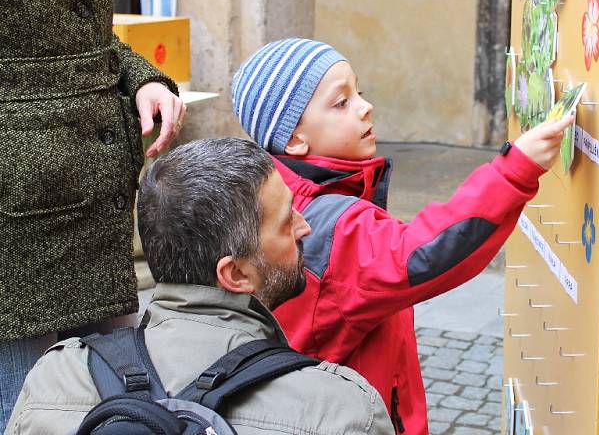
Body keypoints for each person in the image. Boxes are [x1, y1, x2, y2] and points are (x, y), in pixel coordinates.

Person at [231, 38, 573, 435]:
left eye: (359, 92)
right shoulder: (330, 224)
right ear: (293, 139)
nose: (364, 106)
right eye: (341, 102)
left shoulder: (288, 198)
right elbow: (427, 252)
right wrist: (514, 172)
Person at [6, 138, 395, 435]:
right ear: (236, 275)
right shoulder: (343, 409)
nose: (303, 226)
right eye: (284, 222)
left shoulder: (54, 378)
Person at [0, 0, 185, 427]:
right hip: (19, 223)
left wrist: (142, 78)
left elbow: (81, 38)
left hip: (88, 206)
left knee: (111, 404)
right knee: (24, 412)